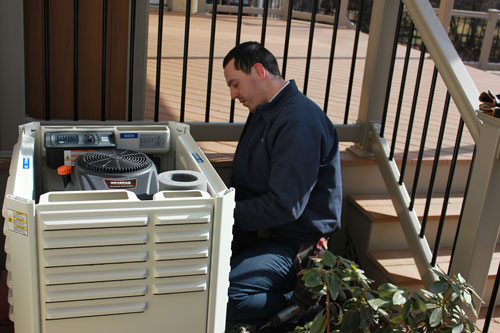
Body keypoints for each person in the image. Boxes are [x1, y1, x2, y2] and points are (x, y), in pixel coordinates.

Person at [223, 41, 342, 328]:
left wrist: (226, 213)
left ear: (259, 71)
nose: (232, 94)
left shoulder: (298, 122)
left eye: (235, 84)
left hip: (295, 244)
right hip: (263, 231)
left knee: (223, 295)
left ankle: (305, 301)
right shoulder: (266, 111)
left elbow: (285, 205)